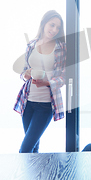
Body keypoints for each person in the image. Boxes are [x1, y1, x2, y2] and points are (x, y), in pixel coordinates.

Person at [14, 10, 66, 153]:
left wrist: (47, 81)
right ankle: (35, 176)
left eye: (57, 28)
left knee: (25, 149)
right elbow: (23, 72)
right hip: (27, 102)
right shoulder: (31, 45)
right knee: (33, 148)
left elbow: (63, 77)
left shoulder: (60, 48)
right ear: (44, 23)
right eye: (52, 25)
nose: (54, 30)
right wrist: (27, 74)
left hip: (45, 105)